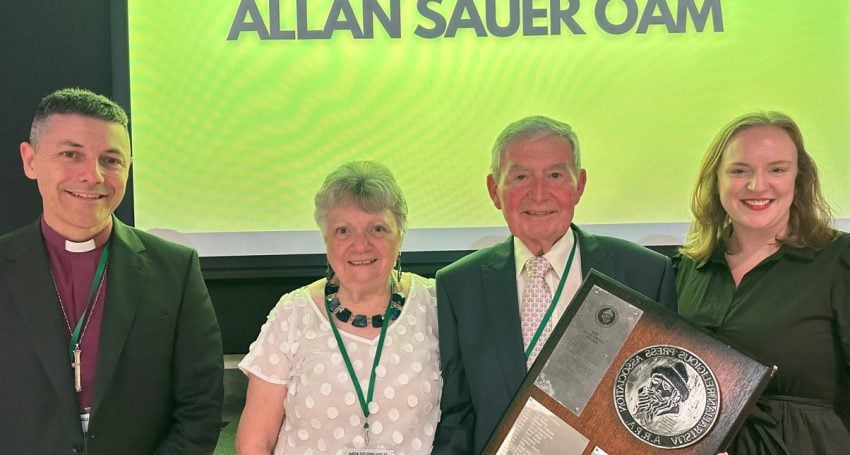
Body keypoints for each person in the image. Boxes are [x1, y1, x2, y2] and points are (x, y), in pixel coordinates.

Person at [433, 115, 678, 454]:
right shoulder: (459, 286)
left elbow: (662, 406)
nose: (538, 193)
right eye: (520, 177)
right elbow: (457, 416)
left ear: (579, 183)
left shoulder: (645, 274)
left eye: (555, 175)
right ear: (494, 191)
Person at [0, 88, 224, 454]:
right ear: (30, 160)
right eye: (71, 154)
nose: (93, 175)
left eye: (111, 160)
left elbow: (201, 406)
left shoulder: (175, 269)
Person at [236, 161, 441, 454]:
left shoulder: (436, 304)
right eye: (343, 230)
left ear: (401, 235)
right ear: (326, 239)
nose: (361, 245)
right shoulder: (292, 313)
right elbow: (255, 442)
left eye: (377, 228)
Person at [674, 111, 850, 453]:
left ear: (799, 180)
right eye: (739, 171)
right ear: (716, 181)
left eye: (777, 169)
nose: (757, 186)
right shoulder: (684, 270)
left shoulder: (840, 261)